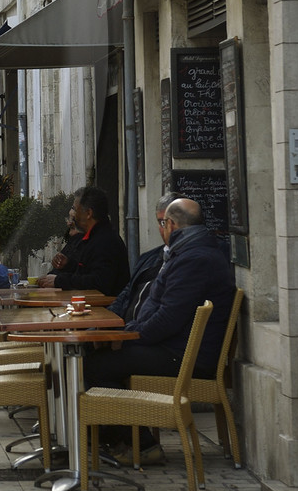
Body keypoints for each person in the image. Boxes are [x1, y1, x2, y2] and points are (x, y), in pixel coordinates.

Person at [84, 197, 236, 462]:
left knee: (94, 366)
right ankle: (110, 437)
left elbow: (168, 318)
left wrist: (129, 339)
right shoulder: (191, 252)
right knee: (95, 356)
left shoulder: (194, 259)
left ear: (172, 224)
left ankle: (142, 445)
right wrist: (127, 334)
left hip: (186, 357)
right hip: (175, 348)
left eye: (163, 223)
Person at [40, 185, 130, 297]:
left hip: (103, 310)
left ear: (88, 213)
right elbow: (85, 273)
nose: (73, 216)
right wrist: (68, 265)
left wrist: (59, 280)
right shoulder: (91, 239)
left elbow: (99, 282)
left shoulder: (105, 242)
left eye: (75, 209)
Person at [108, 192, 179, 320]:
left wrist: (131, 333)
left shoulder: (188, 261)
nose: (168, 229)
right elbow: (126, 294)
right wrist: (105, 322)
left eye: (171, 222)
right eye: (162, 223)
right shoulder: (148, 258)